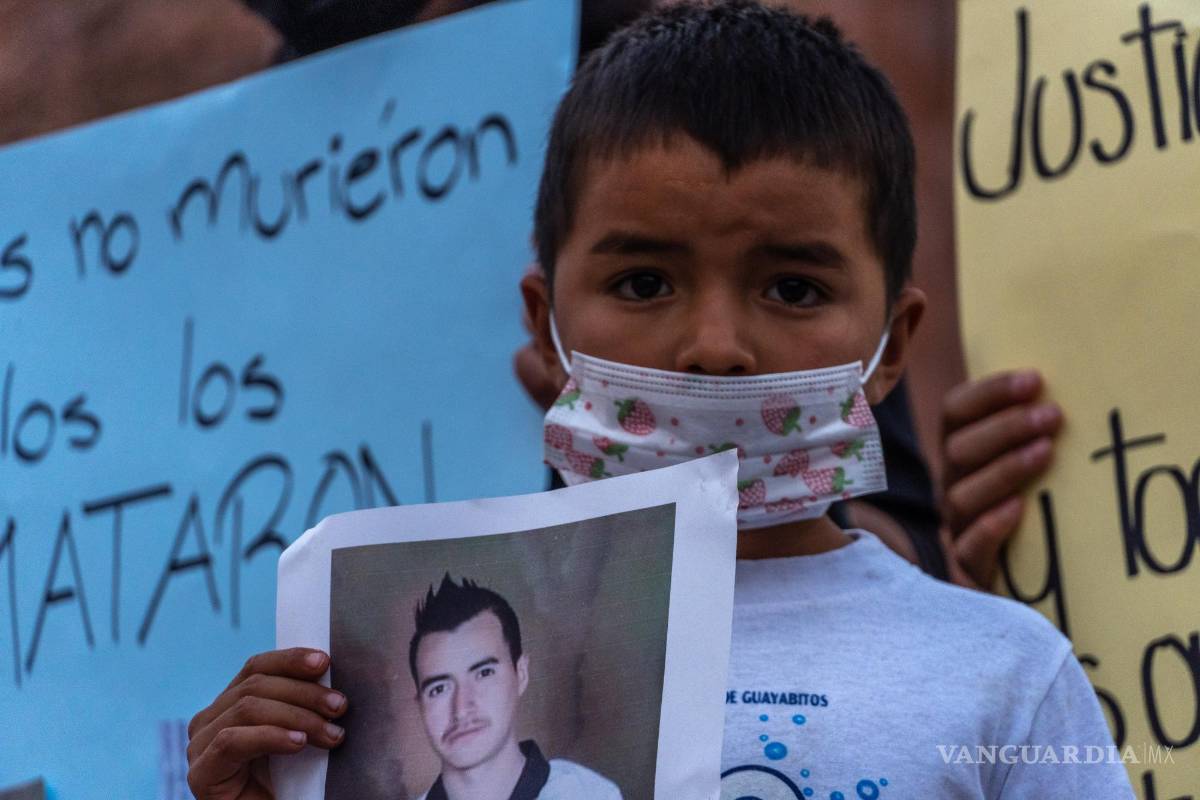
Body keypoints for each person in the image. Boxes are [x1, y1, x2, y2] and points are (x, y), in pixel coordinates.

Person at [188, 2, 1122, 798]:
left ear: (892, 349)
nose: (715, 347)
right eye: (643, 283)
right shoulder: (373, 707)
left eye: (793, 287)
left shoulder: (1006, 676)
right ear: (546, 327)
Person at [407, 575, 622, 800]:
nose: (461, 709)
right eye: (439, 689)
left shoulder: (590, 794)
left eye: (484, 673)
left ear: (521, 674)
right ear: (421, 705)